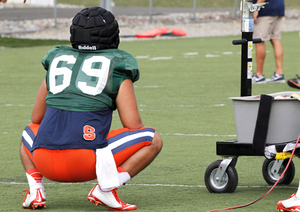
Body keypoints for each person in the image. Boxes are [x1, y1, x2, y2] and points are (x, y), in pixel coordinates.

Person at [20, 6, 163, 211]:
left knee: (29, 129)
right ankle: (106, 189)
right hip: (85, 163)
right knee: (152, 138)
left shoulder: (57, 59)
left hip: (43, 160)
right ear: (112, 35)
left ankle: (36, 191)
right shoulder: (118, 63)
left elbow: (37, 117)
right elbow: (132, 124)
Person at [252, 0, 285, 84]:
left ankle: (259, 75)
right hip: (278, 7)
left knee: (259, 40)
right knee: (275, 39)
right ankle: (279, 74)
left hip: (265, 10)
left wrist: (256, 8)